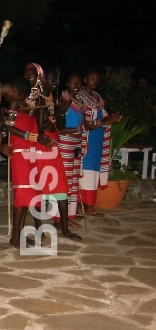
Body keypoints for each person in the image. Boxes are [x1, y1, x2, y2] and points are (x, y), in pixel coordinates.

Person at [33, 64, 81, 241]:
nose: (56, 82)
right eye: (52, 79)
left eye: (57, 79)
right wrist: (57, 113)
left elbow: (58, 127)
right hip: (43, 145)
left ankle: (64, 227)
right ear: (43, 80)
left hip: (54, 144)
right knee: (41, 188)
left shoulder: (52, 98)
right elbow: (39, 129)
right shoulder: (39, 100)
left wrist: (61, 113)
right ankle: (39, 228)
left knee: (61, 187)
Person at [4, 73, 43, 248]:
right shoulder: (16, 100)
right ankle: (14, 237)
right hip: (20, 150)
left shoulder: (35, 99)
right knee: (22, 193)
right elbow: (9, 127)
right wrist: (32, 136)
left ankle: (18, 233)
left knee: (30, 192)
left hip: (31, 150)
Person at [77, 70, 122, 216]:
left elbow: (103, 117)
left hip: (97, 139)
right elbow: (85, 121)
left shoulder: (98, 98)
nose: (94, 81)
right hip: (86, 138)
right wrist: (105, 121)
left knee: (94, 173)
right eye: (91, 78)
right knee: (85, 172)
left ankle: (88, 204)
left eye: (97, 79)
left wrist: (111, 119)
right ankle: (82, 204)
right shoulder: (79, 97)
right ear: (85, 79)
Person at [57, 73, 85, 225]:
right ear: (67, 83)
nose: (75, 84)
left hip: (76, 142)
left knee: (73, 181)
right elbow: (59, 128)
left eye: (78, 82)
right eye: (72, 82)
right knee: (64, 181)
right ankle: (59, 218)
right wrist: (75, 130)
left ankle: (69, 215)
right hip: (65, 142)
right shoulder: (64, 102)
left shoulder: (79, 102)